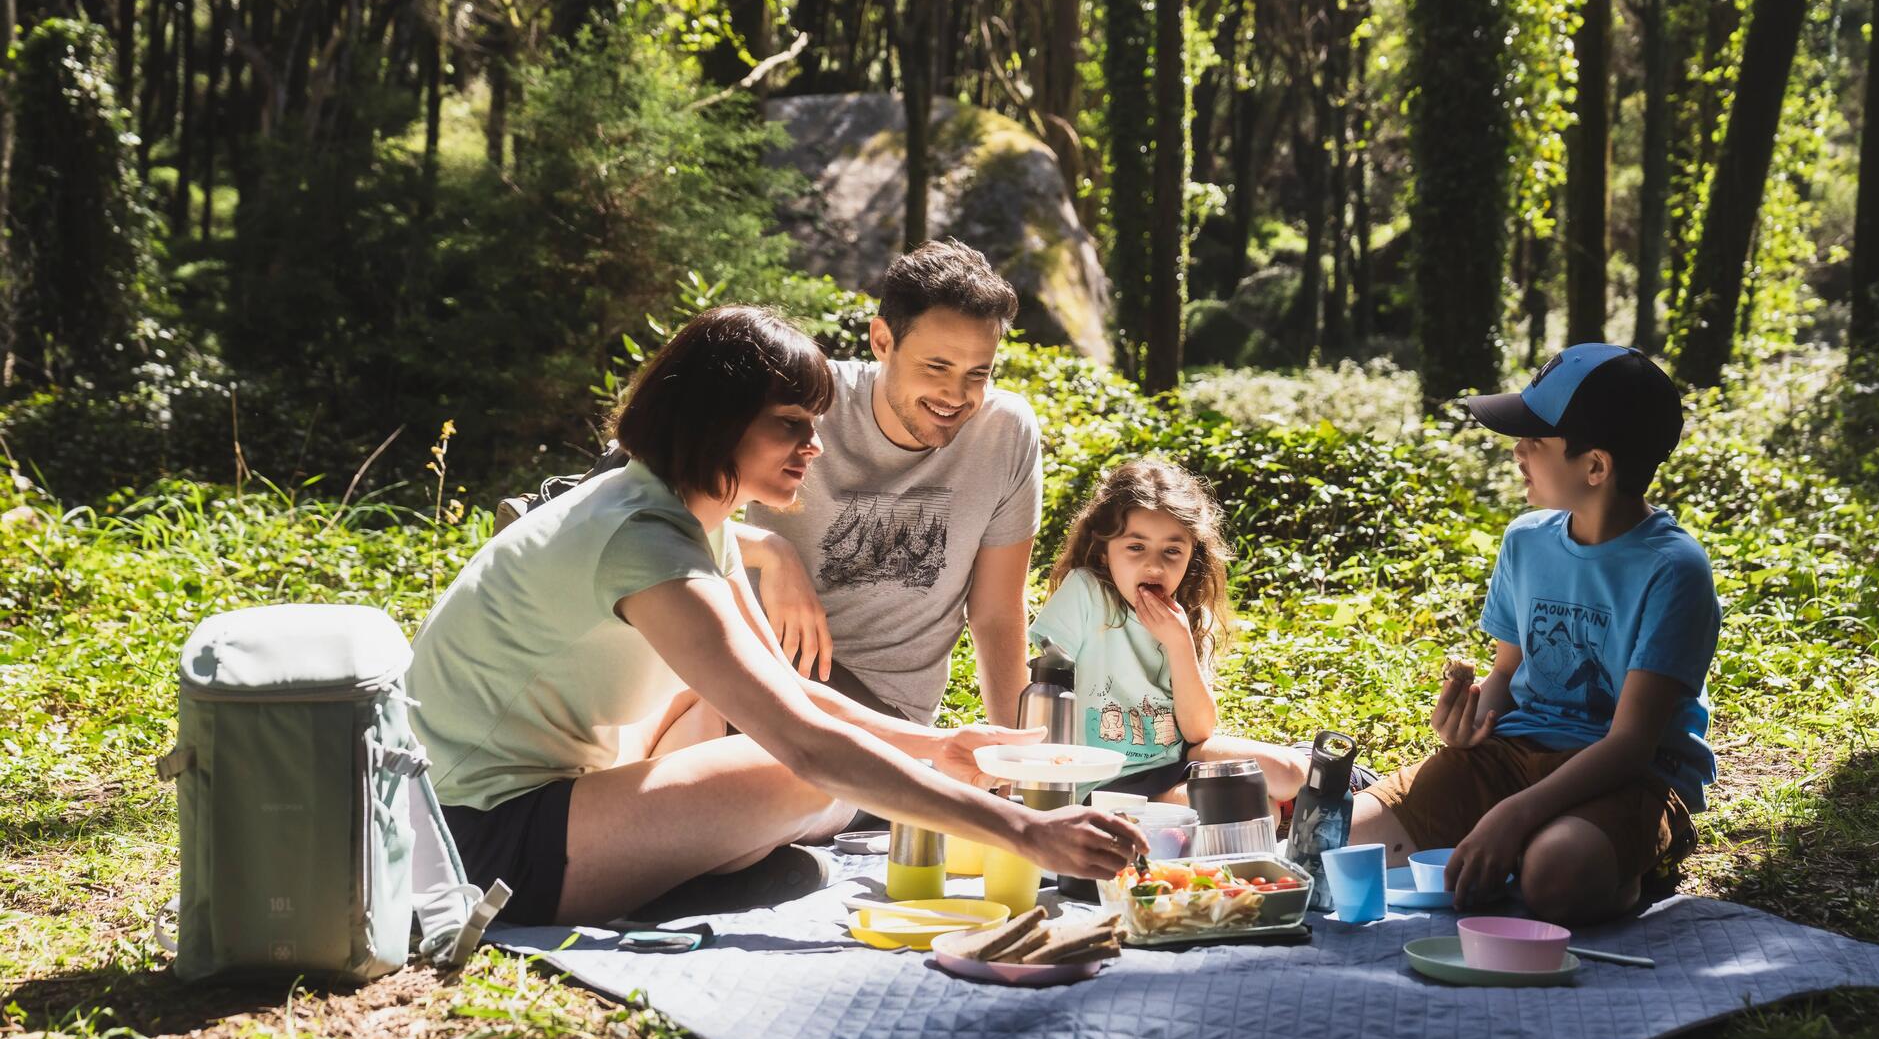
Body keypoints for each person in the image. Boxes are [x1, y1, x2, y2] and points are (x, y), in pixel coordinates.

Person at [406, 306, 1144, 926]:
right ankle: (672, 876)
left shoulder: (688, 515)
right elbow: (805, 742)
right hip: (476, 841)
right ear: (715, 422)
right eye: (790, 424)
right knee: (807, 775)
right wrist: (1027, 831)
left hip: (538, 805)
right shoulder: (640, 536)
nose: (812, 446)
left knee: (800, 758)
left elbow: (791, 692)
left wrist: (937, 745)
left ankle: (677, 870)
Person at [1352, 344, 1720, 926]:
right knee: (1345, 840)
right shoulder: (1526, 540)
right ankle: (1531, 847)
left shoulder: (1674, 570)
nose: (1517, 451)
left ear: (1595, 467)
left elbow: (1631, 745)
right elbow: (1506, 673)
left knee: (1554, 879)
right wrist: (1471, 725)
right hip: (1513, 755)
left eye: (1536, 441)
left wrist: (1513, 816)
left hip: (1628, 777)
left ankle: (1636, 857)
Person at [743, 240, 1041, 727]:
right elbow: (648, 514)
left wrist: (1017, 762)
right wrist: (767, 548)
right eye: (936, 366)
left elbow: (995, 614)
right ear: (882, 341)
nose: (955, 394)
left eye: (978, 374)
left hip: (893, 719)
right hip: (767, 687)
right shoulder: (804, 402)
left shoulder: (1004, 433)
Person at [1027, 458, 1314, 811]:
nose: (1154, 565)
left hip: (1175, 762)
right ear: (1104, 553)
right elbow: (1039, 688)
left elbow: (1198, 732)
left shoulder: (1191, 615)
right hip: (1104, 782)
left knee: (1291, 772)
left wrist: (1179, 643)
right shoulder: (1087, 593)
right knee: (1250, 808)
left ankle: (1285, 793)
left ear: (1193, 554)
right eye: (1136, 547)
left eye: (1172, 551)